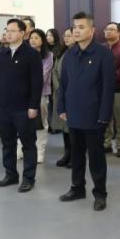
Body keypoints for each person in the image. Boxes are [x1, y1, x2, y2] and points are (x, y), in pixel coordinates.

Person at [58, 13, 115, 211]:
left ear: (92, 30)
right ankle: (77, 188)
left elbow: (108, 87)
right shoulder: (70, 54)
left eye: (81, 27)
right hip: (73, 113)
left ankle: (100, 193)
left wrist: (104, 115)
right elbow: (63, 84)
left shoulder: (103, 54)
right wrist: (62, 107)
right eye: (75, 27)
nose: (76, 30)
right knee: (76, 154)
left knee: (96, 157)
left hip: (94, 115)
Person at [0, 18, 43, 193]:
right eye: (7, 30)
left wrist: (33, 106)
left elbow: (37, 82)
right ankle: (10, 174)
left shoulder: (31, 54)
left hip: (24, 108)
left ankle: (28, 178)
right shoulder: (2, 54)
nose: (8, 33)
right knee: (7, 143)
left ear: (22, 33)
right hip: (4, 107)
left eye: (12, 31)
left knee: (28, 144)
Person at [103, 22, 120, 158]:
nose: (108, 31)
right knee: (105, 119)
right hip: (103, 90)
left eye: (112, 29)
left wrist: (108, 78)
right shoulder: (101, 48)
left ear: (119, 33)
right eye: (107, 29)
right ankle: (106, 143)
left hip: (119, 90)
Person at [25, 29, 53, 164]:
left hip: (41, 93)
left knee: (41, 123)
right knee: (24, 123)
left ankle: (39, 151)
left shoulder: (48, 56)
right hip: (24, 94)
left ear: (42, 40)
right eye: (31, 38)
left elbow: (42, 76)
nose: (33, 40)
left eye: (36, 38)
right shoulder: (25, 54)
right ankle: (22, 149)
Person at [52, 29, 73, 168]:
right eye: (65, 36)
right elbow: (54, 72)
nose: (66, 38)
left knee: (71, 127)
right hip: (59, 92)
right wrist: (59, 87)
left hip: (71, 93)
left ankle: (74, 156)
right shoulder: (62, 52)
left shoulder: (77, 52)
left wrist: (66, 89)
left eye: (69, 36)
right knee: (64, 126)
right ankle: (67, 153)